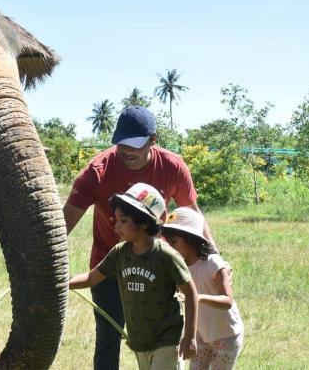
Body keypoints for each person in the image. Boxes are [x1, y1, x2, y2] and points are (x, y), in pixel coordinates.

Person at [64, 106, 216, 369]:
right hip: (110, 266)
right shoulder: (97, 172)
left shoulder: (172, 167)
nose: (126, 150)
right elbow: (62, 224)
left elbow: (192, 214)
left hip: (156, 269)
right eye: (121, 144)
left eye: (135, 145)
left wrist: (213, 258)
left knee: (159, 338)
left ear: (152, 140)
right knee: (108, 339)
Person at [69, 183, 198, 370]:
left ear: (144, 222)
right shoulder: (119, 253)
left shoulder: (167, 256)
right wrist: (59, 284)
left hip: (167, 339)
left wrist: (190, 336)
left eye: (123, 221)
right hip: (140, 340)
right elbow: (91, 279)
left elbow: (191, 293)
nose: (115, 226)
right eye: (116, 220)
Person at [162, 207, 244, 370]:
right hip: (201, 336)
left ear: (191, 239)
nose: (170, 247)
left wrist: (198, 297)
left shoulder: (213, 263)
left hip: (227, 335)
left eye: (174, 242)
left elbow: (227, 301)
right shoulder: (180, 267)